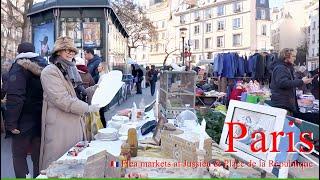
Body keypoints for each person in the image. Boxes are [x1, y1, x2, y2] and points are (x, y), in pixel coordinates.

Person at [39, 36, 100, 170]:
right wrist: (87, 108)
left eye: (72, 50)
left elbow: (79, 93)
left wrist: (98, 88)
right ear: (57, 52)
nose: (70, 52)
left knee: (74, 166)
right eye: (66, 49)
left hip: (75, 123)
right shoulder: (49, 71)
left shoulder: (71, 69)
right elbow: (62, 99)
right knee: (59, 166)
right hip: (60, 127)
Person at [4, 42, 47, 178]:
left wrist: (11, 123)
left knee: (19, 155)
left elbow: (16, 97)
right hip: (42, 118)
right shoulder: (46, 66)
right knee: (37, 157)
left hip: (23, 121)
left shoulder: (19, 67)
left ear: (19, 52)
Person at [269, 48, 313, 114]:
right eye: (293, 56)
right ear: (286, 57)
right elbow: (283, 83)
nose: (295, 58)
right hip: (282, 105)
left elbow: (288, 81)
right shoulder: (281, 68)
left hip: (284, 103)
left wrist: (302, 81)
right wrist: (301, 81)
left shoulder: (285, 67)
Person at [97, 61, 109, 128]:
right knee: (101, 114)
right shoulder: (103, 75)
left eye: (99, 66)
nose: (97, 67)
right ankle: (104, 127)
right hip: (103, 98)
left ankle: (104, 128)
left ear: (103, 68)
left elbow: (100, 88)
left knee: (101, 114)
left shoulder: (103, 76)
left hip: (101, 98)